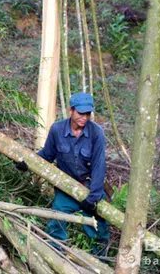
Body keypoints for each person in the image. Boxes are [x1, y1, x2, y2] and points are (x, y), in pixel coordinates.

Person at [16, 92, 109, 256]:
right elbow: (47, 155)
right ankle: (55, 254)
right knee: (57, 220)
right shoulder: (57, 130)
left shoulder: (96, 133)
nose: (84, 117)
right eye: (81, 113)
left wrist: (93, 197)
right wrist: (27, 163)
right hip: (65, 186)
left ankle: (101, 259)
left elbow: (99, 166)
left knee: (98, 226)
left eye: (88, 113)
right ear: (71, 110)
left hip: (89, 187)